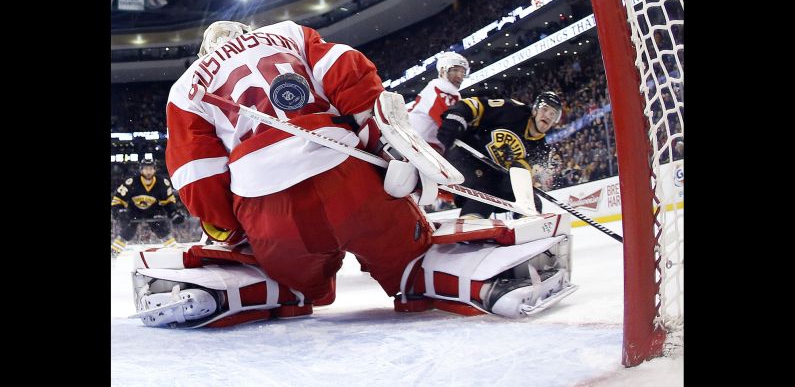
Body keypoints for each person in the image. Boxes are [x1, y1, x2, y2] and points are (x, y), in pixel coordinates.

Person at [129, 20, 575, 328]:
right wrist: (378, 136)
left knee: (291, 283)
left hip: (268, 203)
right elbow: (348, 72)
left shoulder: (186, 85)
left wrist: (228, 229)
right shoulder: (285, 34)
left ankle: (229, 291)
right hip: (349, 172)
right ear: (250, 33)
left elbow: (195, 173)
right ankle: (485, 280)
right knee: (409, 263)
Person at [437, 91, 564, 218]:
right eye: (545, 109)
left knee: (532, 202)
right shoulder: (513, 111)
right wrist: (457, 116)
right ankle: (468, 227)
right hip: (465, 157)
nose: (547, 115)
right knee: (485, 195)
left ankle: (525, 228)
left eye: (553, 114)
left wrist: (516, 177)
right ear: (535, 110)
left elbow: (522, 179)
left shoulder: (542, 150)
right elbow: (475, 105)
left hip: (494, 177)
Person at [110, 158, 185, 256]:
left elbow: (168, 201)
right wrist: (117, 211)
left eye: (151, 168)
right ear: (141, 169)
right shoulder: (132, 182)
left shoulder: (162, 182)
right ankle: (115, 251)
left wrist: (173, 213)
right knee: (128, 230)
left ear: (155, 169)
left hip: (154, 210)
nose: (148, 171)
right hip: (134, 210)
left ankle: (173, 250)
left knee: (161, 228)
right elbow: (118, 198)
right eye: (146, 168)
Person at [407, 51, 470, 153]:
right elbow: (450, 128)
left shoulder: (448, 93)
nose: (460, 76)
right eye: (455, 70)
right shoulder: (439, 90)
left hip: (423, 147)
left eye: (463, 72)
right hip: (418, 147)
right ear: (442, 71)